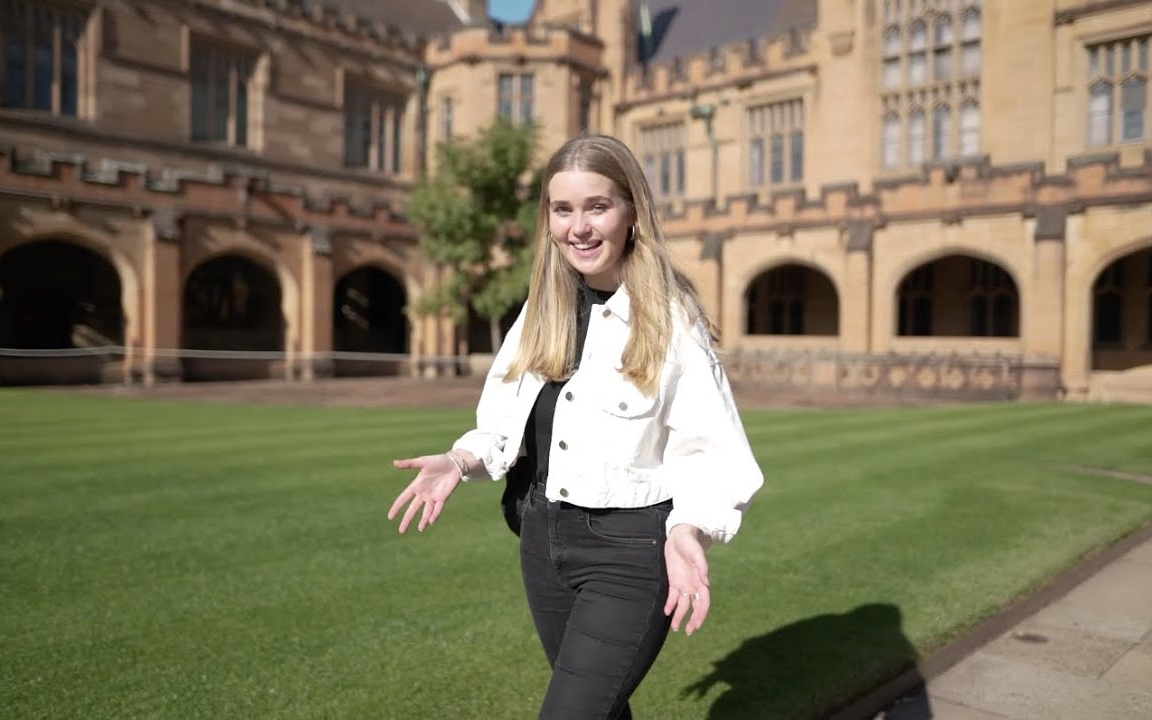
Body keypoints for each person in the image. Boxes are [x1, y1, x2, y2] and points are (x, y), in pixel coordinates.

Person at [388, 133, 763, 719]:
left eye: (597, 206)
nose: (579, 227)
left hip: (629, 558)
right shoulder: (542, 312)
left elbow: (709, 454)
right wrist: (459, 462)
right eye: (562, 209)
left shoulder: (670, 321)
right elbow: (503, 426)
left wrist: (689, 529)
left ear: (631, 210)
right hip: (541, 542)